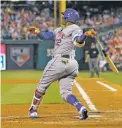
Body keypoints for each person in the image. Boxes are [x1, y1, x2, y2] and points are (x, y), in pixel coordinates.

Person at [28, 8, 96, 120]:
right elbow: (47, 36)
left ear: (68, 16)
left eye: (64, 15)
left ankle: (33, 110)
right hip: (72, 65)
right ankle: (81, 108)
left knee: (41, 87)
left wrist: (85, 35)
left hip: (59, 61)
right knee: (65, 93)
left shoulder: (75, 28)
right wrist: (38, 32)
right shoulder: (60, 30)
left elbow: (78, 40)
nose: (62, 17)